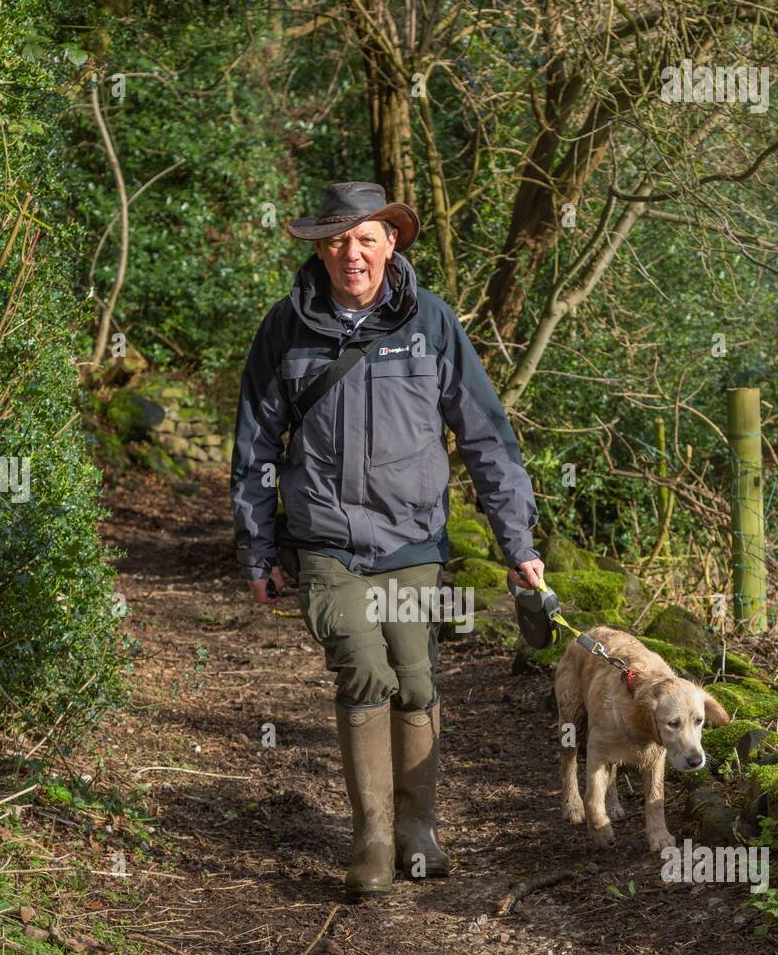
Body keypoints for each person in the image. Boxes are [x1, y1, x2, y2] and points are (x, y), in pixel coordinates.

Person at [231, 181, 544, 901]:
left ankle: (419, 832)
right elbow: (254, 445)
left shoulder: (430, 322)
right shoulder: (287, 326)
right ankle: (371, 837)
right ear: (320, 248)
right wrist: (255, 549)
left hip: (412, 538)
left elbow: (486, 436)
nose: (352, 254)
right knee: (362, 670)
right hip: (325, 539)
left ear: (389, 244)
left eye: (365, 238)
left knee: (417, 678)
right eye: (337, 240)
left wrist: (516, 542)